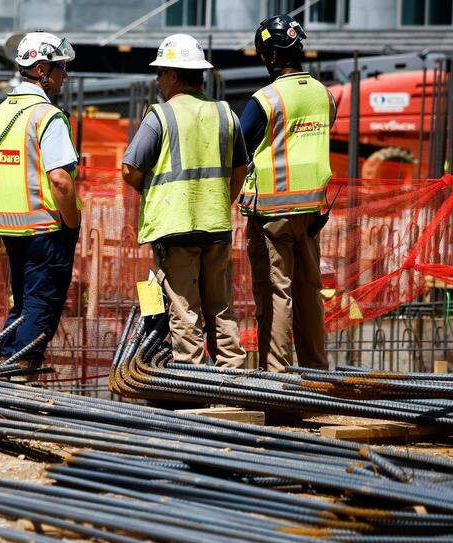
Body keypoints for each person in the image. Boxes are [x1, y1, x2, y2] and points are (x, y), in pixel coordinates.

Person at [121, 34, 247, 368]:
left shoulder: (160, 116)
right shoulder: (226, 114)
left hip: (174, 227)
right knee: (221, 307)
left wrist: (152, 191)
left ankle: (191, 383)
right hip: (216, 224)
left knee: (184, 310)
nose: (158, 79)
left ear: (175, 75)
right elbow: (240, 169)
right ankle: (231, 379)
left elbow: (130, 168)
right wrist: (221, 201)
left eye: (161, 72)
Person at [0, 32, 81, 377]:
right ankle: (20, 374)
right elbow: (61, 180)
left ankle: (5, 368)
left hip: (10, 226)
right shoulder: (46, 116)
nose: (65, 75)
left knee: (21, 301)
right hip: (46, 228)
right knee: (41, 302)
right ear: (41, 70)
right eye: (61, 68)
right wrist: (73, 221)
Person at [238, 14, 335, 374]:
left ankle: (276, 374)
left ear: (273, 57)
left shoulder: (266, 98)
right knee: (309, 291)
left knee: (277, 294)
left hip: (273, 214)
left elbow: (239, 147)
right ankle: (315, 370)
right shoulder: (324, 95)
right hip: (311, 212)